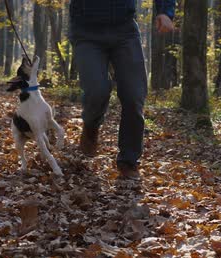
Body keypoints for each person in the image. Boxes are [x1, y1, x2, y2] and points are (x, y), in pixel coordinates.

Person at [69, 0, 175, 179]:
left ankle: (128, 161)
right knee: (97, 89)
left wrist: (165, 11)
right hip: (86, 31)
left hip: (124, 30)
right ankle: (91, 126)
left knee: (134, 95)